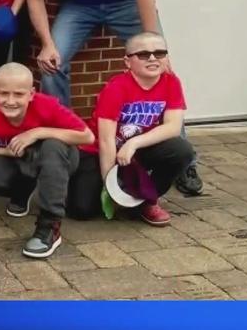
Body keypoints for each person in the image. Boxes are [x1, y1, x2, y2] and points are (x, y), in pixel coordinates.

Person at [24, 0, 204, 196]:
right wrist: (48, 44)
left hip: (125, 3)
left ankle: (183, 159)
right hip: (80, 5)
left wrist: (152, 43)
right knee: (52, 64)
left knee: (159, 68)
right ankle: (63, 141)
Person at [67, 32, 195, 226]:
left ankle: (147, 200)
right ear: (127, 62)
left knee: (181, 150)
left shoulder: (171, 82)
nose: (153, 58)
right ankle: (90, 185)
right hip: (99, 151)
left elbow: (172, 128)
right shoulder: (116, 88)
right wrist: (110, 187)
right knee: (82, 210)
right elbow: (105, 140)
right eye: (143, 54)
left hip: (135, 149)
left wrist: (133, 143)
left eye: (159, 53)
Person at [0, 63, 94, 259]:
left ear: (31, 93)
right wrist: (5, 152)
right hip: (21, 158)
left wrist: (37, 133)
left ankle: (49, 226)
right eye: (4, 93)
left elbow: (87, 137)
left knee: (52, 146)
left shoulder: (48, 106)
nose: (11, 101)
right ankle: (23, 189)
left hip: (62, 160)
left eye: (19, 94)